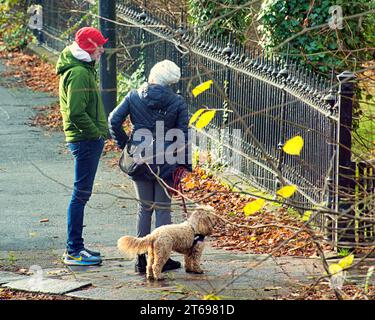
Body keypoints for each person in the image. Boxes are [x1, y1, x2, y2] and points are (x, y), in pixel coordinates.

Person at [108, 60, 192, 273]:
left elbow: (113, 120)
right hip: (166, 161)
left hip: (139, 158)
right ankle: (161, 260)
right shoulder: (178, 102)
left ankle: (141, 259)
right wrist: (183, 165)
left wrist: (127, 144)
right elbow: (183, 136)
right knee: (163, 209)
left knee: (144, 208)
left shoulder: (133, 96)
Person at [56, 27, 109, 266]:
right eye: (99, 45)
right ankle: (74, 251)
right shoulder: (78, 72)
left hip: (85, 139)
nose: (102, 49)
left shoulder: (83, 68)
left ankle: (76, 247)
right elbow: (76, 112)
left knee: (81, 195)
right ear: (89, 47)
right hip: (84, 140)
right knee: (80, 195)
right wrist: (96, 134)